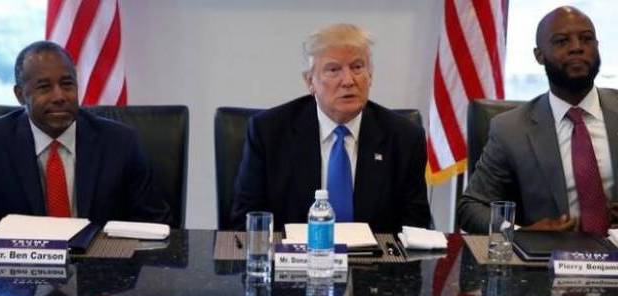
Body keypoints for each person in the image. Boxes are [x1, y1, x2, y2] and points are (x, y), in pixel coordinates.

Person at [231, 23, 431, 232]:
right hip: (292, 261)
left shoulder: (404, 137)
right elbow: (245, 222)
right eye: (334, 69)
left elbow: (416, 228)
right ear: (310, 81)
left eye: (357, 67)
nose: (348, 80)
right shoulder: (269, 133)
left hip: (376, 263)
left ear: (370, 76)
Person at [458, 6, 618, 234]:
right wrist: (521, 232)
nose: (577, 48)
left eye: (586, 39)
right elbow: (471, 208)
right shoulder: (511, 129)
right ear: (539, 56)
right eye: (562, 41)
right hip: (546, 263)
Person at [0, 41, 171, 227]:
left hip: (104, 258)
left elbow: (155, 225)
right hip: (19, 260)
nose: (59, 96)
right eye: (44, 87)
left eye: (67, 84)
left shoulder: (121, 143)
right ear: (20, 95)